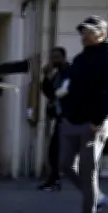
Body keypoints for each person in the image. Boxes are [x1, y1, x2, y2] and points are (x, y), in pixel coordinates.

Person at [58, 16, 108, 213]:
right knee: (65, 165)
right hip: (72, 119)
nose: (84, 36)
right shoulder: (80, 58)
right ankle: (99, 198)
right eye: (82, 32)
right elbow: (70, 84)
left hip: (94, 122)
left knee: (88, 171)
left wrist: (99, 120)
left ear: (101, 33)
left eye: (88, 32)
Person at [38, 47, 70, 191]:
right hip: (61, 116)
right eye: (52, 58)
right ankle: (54, 179)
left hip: (68, 116)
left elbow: (59, 93)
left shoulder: (69, 73)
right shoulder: (58, 74)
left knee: (55, 149)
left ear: (63, 57)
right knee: (54, 150)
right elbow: (49, 93)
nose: (54, 61)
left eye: (56, 57)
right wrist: (47, 77)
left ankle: (55, 179)